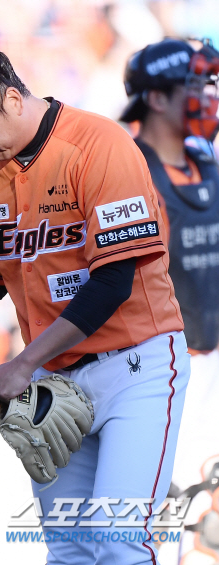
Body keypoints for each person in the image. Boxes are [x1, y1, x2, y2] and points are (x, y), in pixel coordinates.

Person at [0, 40, 190, 564]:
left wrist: (23, 364)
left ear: (12, 98)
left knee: (120, 542)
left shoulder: (98, 145)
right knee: (69, 552)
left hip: (135, 367)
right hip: (54, 378)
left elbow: (113, 281)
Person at [120, 38, 219, 495]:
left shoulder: (206, 158)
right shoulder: (128, 173)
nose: (207, 97)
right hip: (170, 375)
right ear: (157, 98)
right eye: (193, 86)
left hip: (211, 363)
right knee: (173, 513)